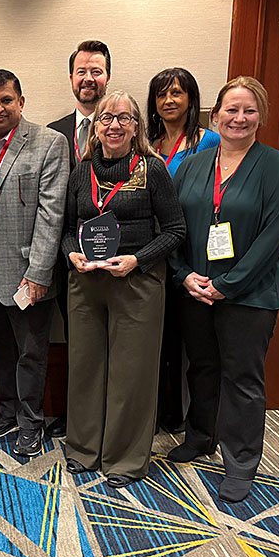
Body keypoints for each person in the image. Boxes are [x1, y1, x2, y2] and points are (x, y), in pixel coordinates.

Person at [167, 76, 279, 503]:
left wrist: (227, 285)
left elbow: (275, 235)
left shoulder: (278, 166)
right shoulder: (192, 165)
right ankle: (201, 436)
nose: (239, 118)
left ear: (261, 116)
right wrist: (185, 274)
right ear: (215, 114)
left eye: (249, 110)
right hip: (195, 289)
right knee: (201, 367)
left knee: (242, 377)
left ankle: (241, 461)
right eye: (231, 109)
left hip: (249, 295)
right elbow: (174, 229)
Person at [61, 90, 185, 488]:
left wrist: (137, 260)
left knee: (132, 373)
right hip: (86, 282)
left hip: (137, 282)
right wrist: (71, 255)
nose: (114, 125)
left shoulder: (153, 169)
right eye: (106, 118)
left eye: (124, 118)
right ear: (95, 128)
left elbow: (175, 230)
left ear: (137, 127)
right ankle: (84, 449)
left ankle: (125, 459)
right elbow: (66, 229)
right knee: (85, 368)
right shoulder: (82, 171)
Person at [0, 70, 68, 455]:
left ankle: (31, 422)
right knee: (1, 343)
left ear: (21, 102)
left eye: (6, 100)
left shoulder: (49, 143)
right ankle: (9, 410)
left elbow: (52, 215)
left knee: (31, 351)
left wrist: (39, 272)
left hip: (28, 269)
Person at [145, 67, 220, 433]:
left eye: (176, 93)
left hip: (193, 253)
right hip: (156, 253)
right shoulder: (149, 144)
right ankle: (164, 412)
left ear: (191, 98)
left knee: (195, 345)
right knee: (161, 340)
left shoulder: (209, 142)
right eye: (161, 95)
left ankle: (194, 423)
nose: (169, 101)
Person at [46, 39, 112, 439]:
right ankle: (79, 417)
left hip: (116, 260)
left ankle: (110, 418)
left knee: (115, 343)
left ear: (108, 76)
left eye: (96, 71)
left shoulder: (122, 127)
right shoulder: (53, 133)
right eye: (81, 71)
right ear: (71, 77)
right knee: (77, 341)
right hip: (65, 257)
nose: (88, 79)